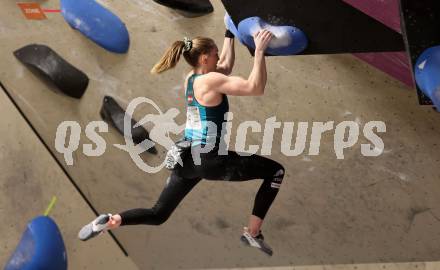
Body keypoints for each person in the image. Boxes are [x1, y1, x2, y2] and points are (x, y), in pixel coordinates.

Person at [79, 28, 285, 256]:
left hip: (185, 159)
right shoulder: (211, 80)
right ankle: (252, 233)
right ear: (205, 58)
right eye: (215, 54)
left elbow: (225, 66)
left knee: (158, 214)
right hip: (210, 158)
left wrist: (229, 33)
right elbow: (255, 88)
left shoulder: (191, 78)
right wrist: (260, 51)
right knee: (275, 172)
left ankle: (112, 220)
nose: (219, 58)